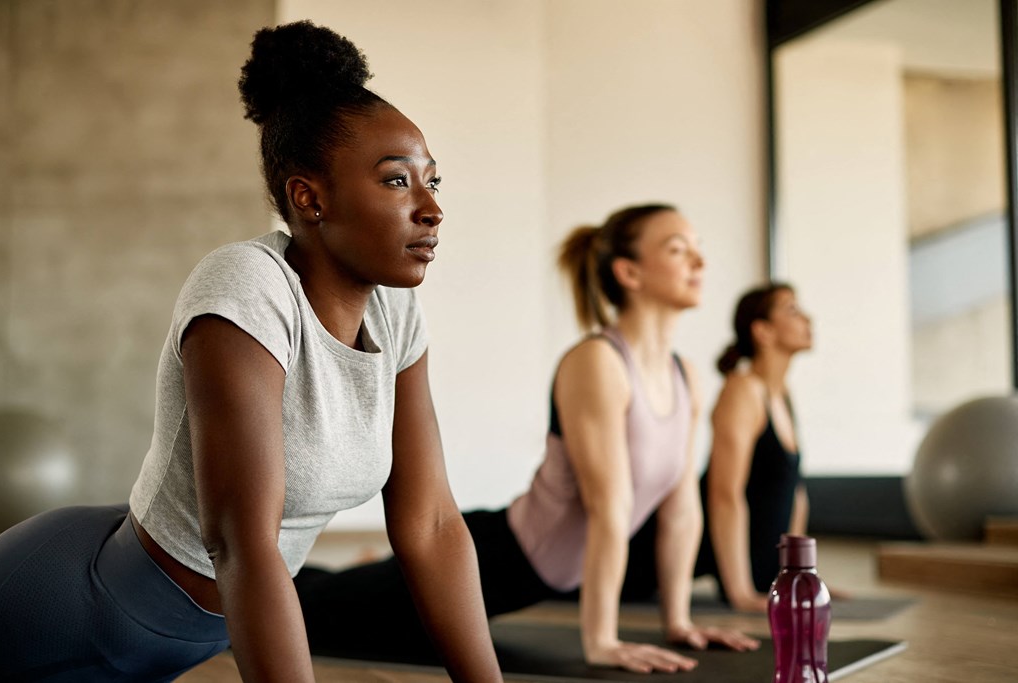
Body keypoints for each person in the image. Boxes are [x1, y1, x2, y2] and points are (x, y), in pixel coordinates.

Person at [0, 21, 502, 683]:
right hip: (73, 611)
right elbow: (240, 543)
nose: (432, 208)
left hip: (172, 640)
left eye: (433, 180)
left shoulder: (395, 310)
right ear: (309, 196)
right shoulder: (245, 285)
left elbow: (430, 524)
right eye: (397, 182)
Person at [294, 204, 759, 675]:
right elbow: (609, 509)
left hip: (541, 576)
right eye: (679, 250)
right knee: (315, 610)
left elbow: (681, 511)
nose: (699, 262)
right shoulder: (599, 362)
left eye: (698, 249)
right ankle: (260, 577)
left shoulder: (686, 377)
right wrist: (602, 641)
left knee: (342, 603)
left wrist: (678, 622)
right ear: (629, 272)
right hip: (495, 560)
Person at [695, 283, 812, 613]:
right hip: (658, 551)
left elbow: (795, 492)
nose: (807, 318)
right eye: (791, 309)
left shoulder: (781, 394)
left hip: (755, 559)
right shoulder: (742, 391)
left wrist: (799, 575)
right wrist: (740, 592)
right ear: (762, 330)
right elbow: (724, 495)